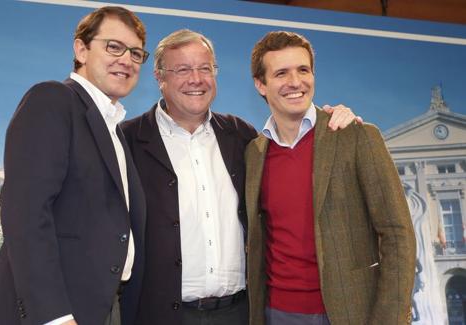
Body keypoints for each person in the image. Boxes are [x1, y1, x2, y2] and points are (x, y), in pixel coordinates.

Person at [121, 29, 357, 325]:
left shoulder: (242, 137)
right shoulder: (127, 141)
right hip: (159, 315)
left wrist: (335, 117)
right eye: (182, 69)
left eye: (205, 68)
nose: (196, 79)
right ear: (159, 77)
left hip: (239, 313)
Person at [0, 6, 147, 325]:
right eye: (113, 46)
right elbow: (26, 215)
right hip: (59, 314)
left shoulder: (114, 128)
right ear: (81, 49)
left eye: (136, 53)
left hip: (103, 308)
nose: (126, 60)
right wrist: (55, 317)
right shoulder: (53, 100)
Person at [245, 31, 416, 325]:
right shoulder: (254, 153)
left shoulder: (357, 136)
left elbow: (397, 234)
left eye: (303, 70)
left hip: (351, 312)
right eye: (281, 73)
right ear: (261, 84)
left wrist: (390, 318)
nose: (296, 82)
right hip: (276, 313)